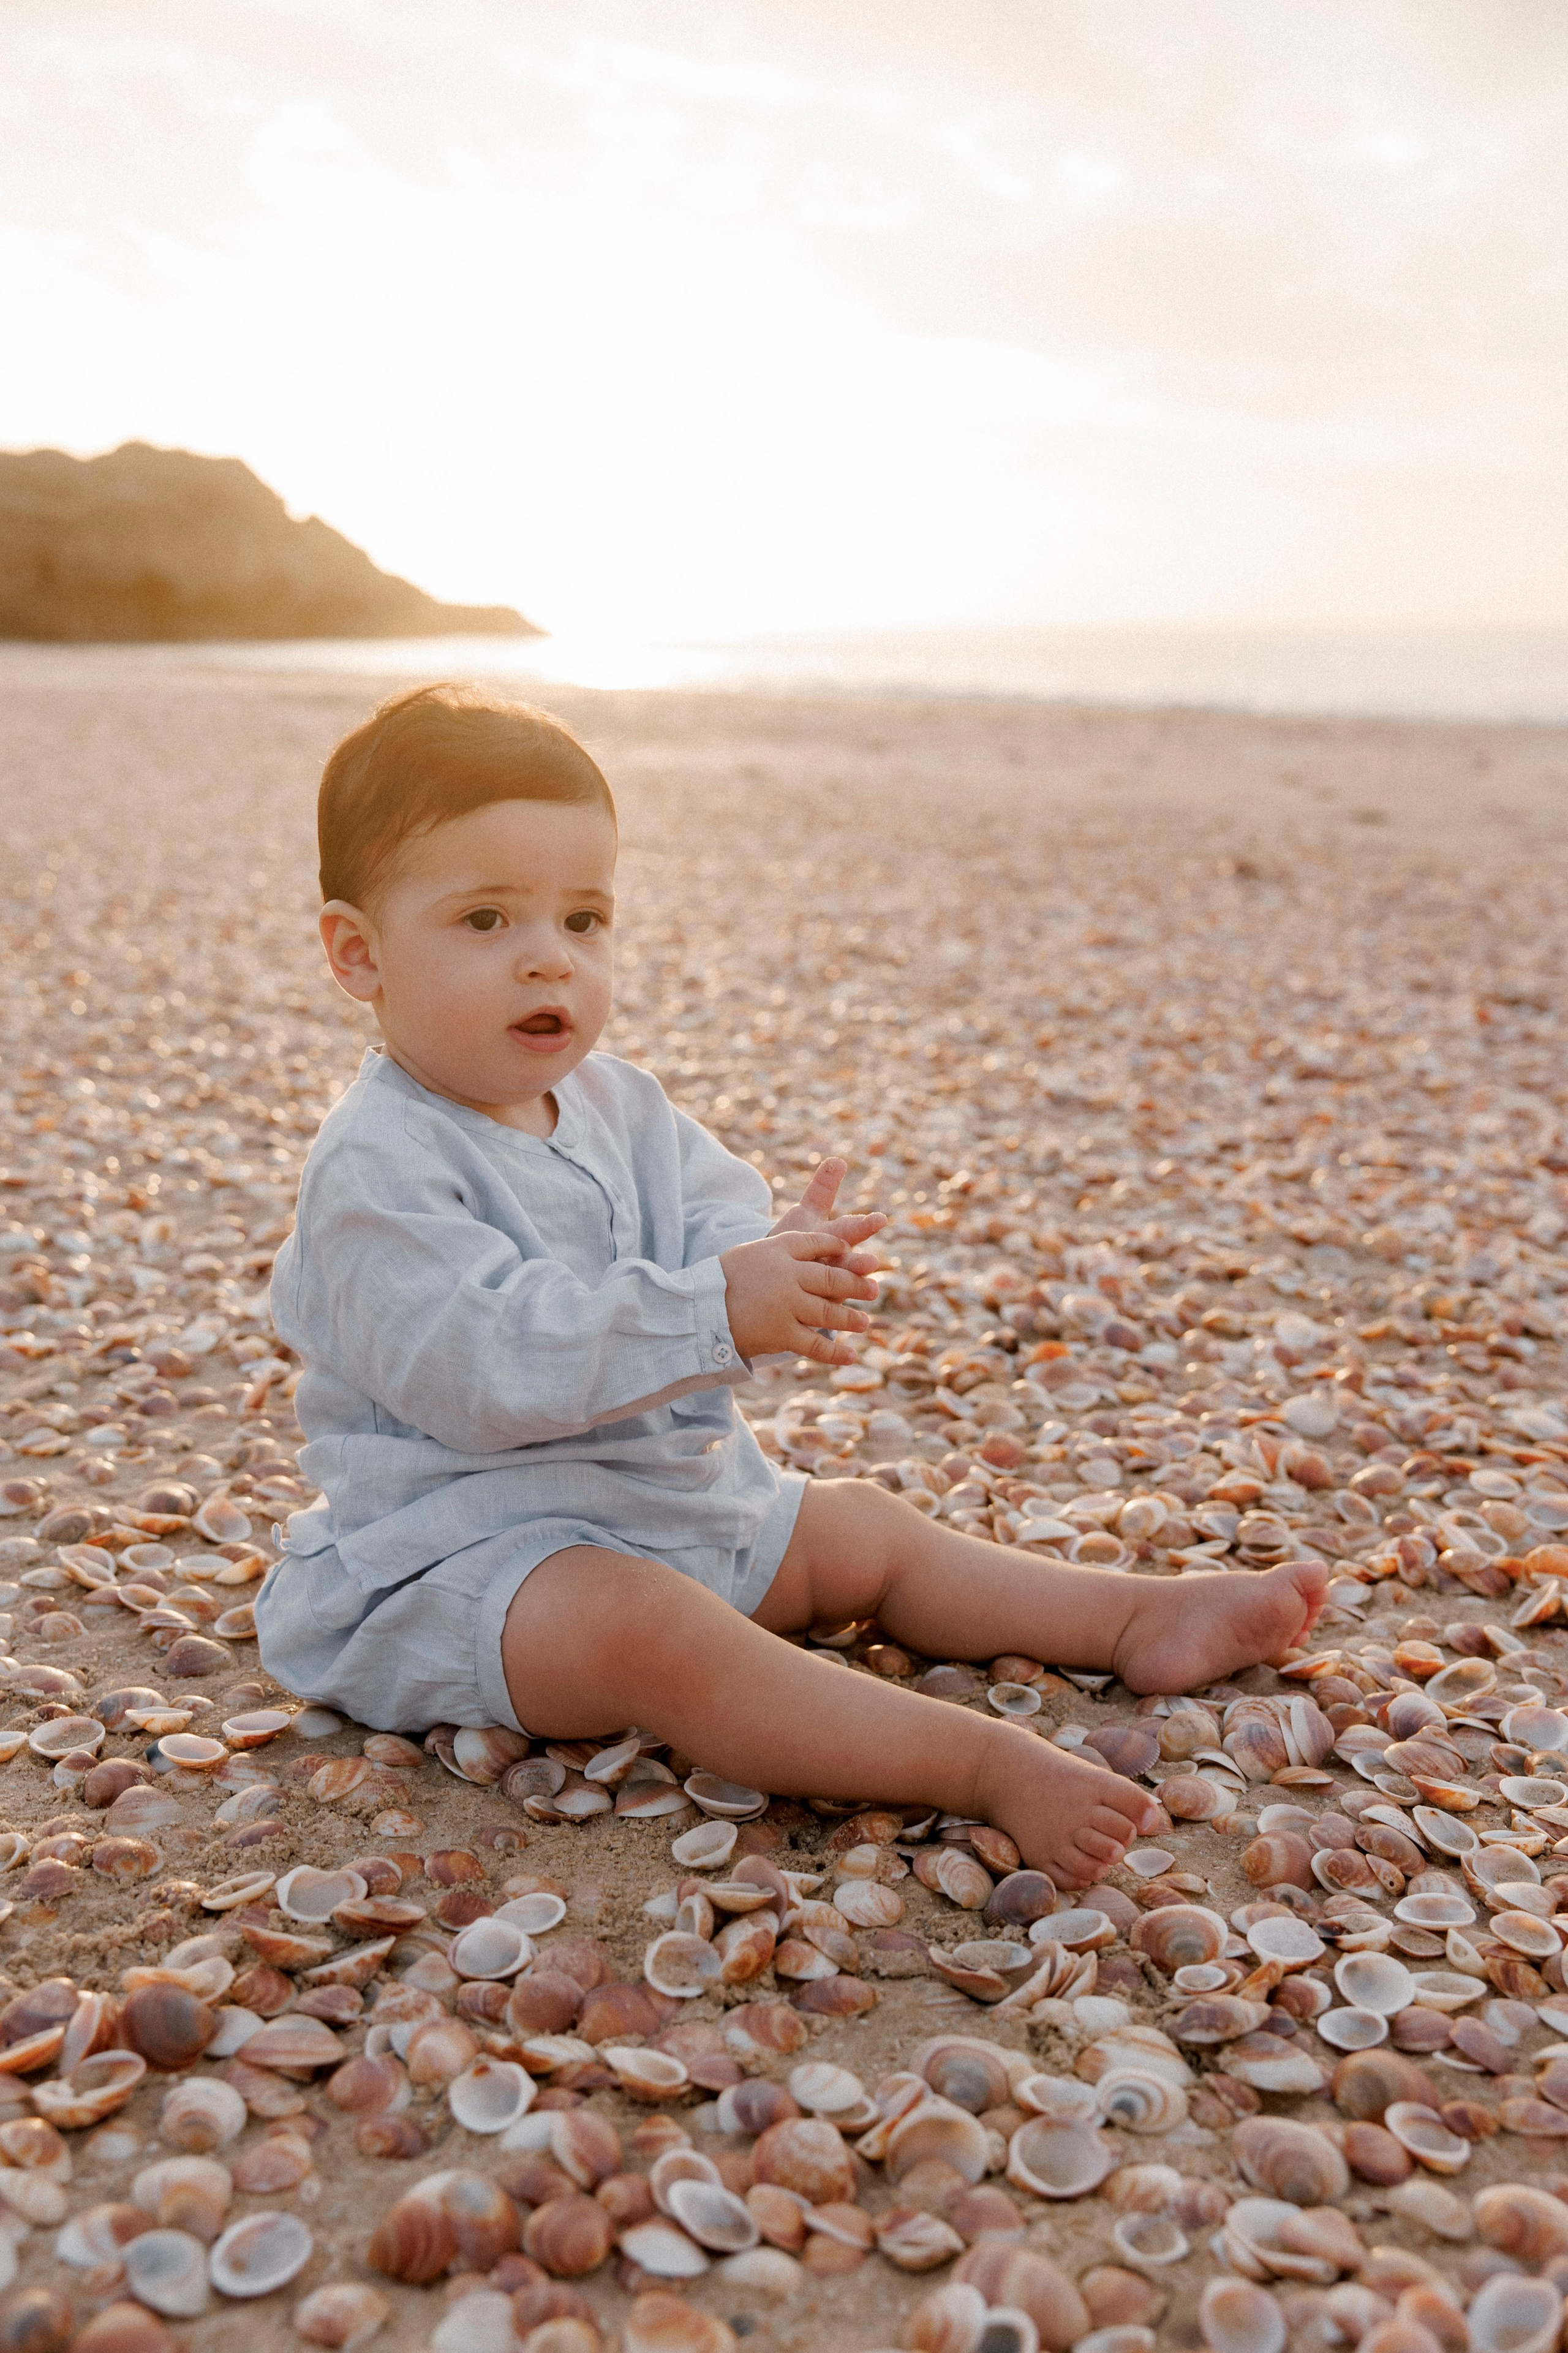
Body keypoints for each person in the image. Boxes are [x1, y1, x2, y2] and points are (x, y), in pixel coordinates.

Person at [257, 683, 1326, 1888]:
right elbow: (484, 1364)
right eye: (486, 917)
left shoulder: (620, 1103)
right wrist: (711, 1307)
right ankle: (977, 1765)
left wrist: (776, 1260)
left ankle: (1128, 1615)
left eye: (585, 917)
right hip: (464, 1562)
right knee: (652, 1631)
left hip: (663, 1506)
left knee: (861, 1527)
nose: (550, 955)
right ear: (358, 953)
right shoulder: (377, 1165)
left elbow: (714, 1209)